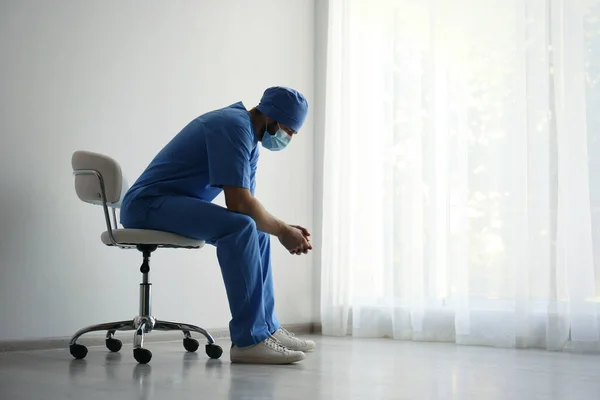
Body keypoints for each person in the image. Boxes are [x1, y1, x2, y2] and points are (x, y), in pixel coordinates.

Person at [119, 87, 315, 365]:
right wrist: (283, 230)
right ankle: (249, 341)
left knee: (255, 231)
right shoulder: (232, 127)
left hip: (169, 203)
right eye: (289, 130)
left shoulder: (249, 140)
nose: (288, 138)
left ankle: (267, 328)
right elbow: (239, 204)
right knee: (241, 228)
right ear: (274, 116)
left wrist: (279, 228)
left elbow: (248, 206)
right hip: (146, 205)